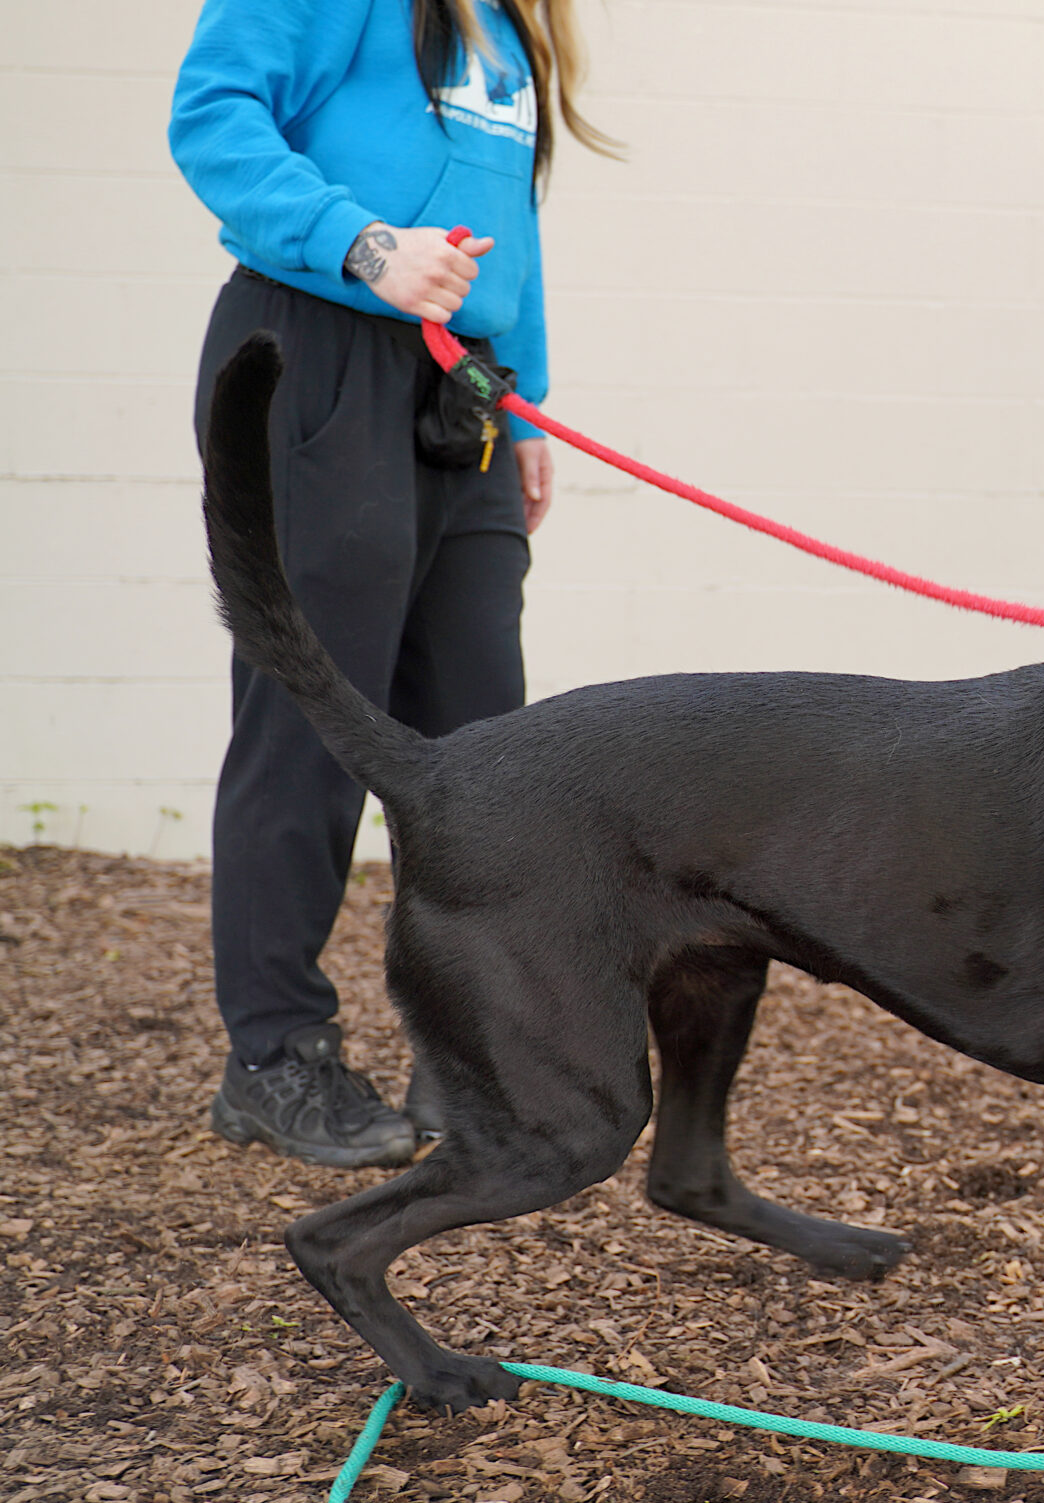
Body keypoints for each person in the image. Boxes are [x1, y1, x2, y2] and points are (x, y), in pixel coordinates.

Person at [170, 0, 613, 1166]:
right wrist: (362, 242)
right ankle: (274, 1056)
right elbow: (211, 118)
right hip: (313, 348)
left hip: (460, 391)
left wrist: (528, 397)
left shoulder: (510, 31)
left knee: (485, 746)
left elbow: (507, 226)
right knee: (313, 724)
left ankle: (464, 1051)